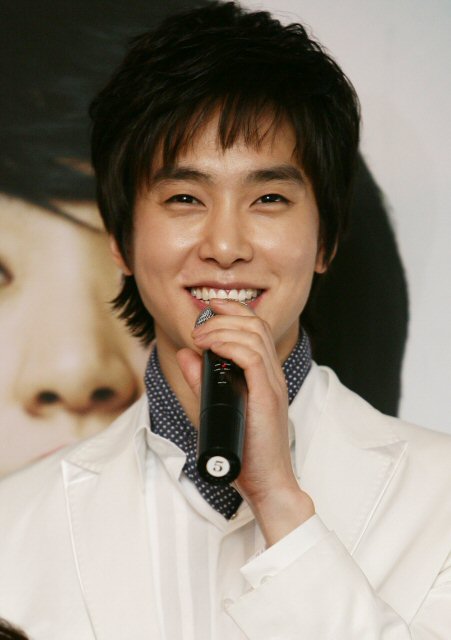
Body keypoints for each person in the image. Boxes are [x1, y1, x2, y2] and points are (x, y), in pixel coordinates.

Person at [0, 2, 449, 638]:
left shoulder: (440, 497)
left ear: (326, 241)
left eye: (269, 198)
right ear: (121, 240)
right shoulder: (13, 528)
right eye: (185, 197)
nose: (226, 245)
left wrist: (278, 500)